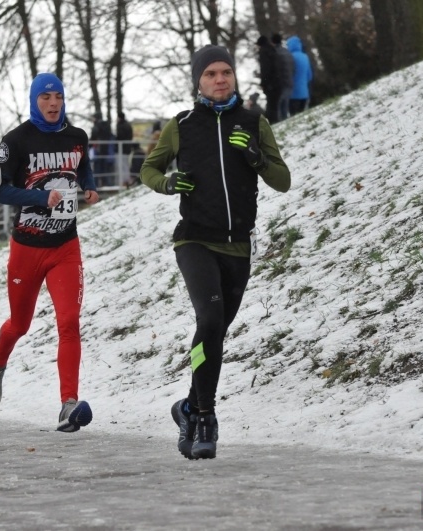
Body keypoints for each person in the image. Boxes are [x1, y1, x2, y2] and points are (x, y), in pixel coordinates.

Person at [140, 45, 291, 459]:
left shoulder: (254, 122)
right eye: (210, 74)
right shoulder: (182, 125)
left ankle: (188, 407)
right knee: (209, 318)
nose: (220, 79)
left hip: (238, 244)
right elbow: (148, 170)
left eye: (226, 71)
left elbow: (283, 180)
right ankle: (205, 416)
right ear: (198, 81)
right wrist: (168, 183)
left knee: (215, 332)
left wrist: (256, 157)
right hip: (194, 240)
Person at [0, 72, 101, 433]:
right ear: (34, 101)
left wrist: (90, 187)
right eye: (45, 97)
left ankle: (68, 404)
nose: (53, 104)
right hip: (27, 249)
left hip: (65, 247)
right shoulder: (15, 141)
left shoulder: (77, 137)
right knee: (20, 324)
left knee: (69, 322)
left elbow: (83, 167)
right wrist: (38, 197)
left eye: (58, 97)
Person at [256, 35, 280, 124]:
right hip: (277, 81)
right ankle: (276, 119)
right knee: (275, 104)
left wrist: (264, 83)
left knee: (270, 103)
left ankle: (272, 122)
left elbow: (265, 69)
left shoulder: (263, 52)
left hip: (270, 83)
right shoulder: (273, 50)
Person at [272, 33, 295, 121]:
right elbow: (293, 67)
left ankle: (282, 121)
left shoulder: (275, 53)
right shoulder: (287, 52)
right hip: (289, 80)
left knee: (279, 105)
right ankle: (286, 121)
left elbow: (275, 69)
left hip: (281, 82)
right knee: (285, 104)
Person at [287, 36, 313, 115]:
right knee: (303, 116)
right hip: (304, 94)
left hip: (293, 95)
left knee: (294, 117)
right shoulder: (305, 56)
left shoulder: (290, 57)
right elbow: (309, 76)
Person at [90, 112, 114, 185]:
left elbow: (93, 137)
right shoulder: (106, 125)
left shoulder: (96, 126)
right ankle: (106, 183)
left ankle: (96, 184)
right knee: (105, 168)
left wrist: (89, 145)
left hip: (98, 150)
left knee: (97, 168)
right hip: (106, 150)